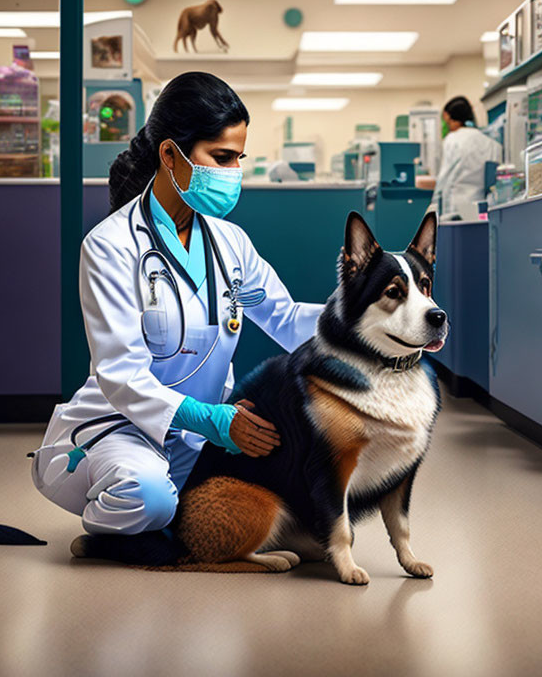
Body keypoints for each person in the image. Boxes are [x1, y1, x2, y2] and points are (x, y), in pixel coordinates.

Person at [30, 72, 323, 553]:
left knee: (299, 496)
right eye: (221, 158)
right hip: (119, 429)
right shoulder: (110, 247)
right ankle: (110, 539)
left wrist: (366, 318)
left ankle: (166, 526)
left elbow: (284, 318)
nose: (233, 174)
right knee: (147, 499)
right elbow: (121, 374)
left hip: (202, 438)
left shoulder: (229, 244)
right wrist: (214, 420)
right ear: (170, 155)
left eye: (238, 159)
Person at [430, 95, 502, 220]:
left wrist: (433, 209)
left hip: (453, 209)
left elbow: (444, 180)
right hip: (480, 209)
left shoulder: (452, 139)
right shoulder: (491, 143)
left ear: (447, 116)